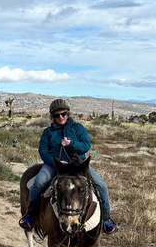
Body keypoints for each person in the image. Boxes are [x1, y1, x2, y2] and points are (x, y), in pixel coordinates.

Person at [19, 98, 117, 234]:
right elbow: (43, 151)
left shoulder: (78, 128)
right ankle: (30, 216)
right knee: (38, 183)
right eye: (56, 115)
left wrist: (71, 144)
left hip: (78, 165)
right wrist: (56, 162)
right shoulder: (48, 132)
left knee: (102, 186)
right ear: (52, 116)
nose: (60, 117)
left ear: (68, 114)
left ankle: (105, 220)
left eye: (63, 114)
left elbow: (86, 146)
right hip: (54, 165)